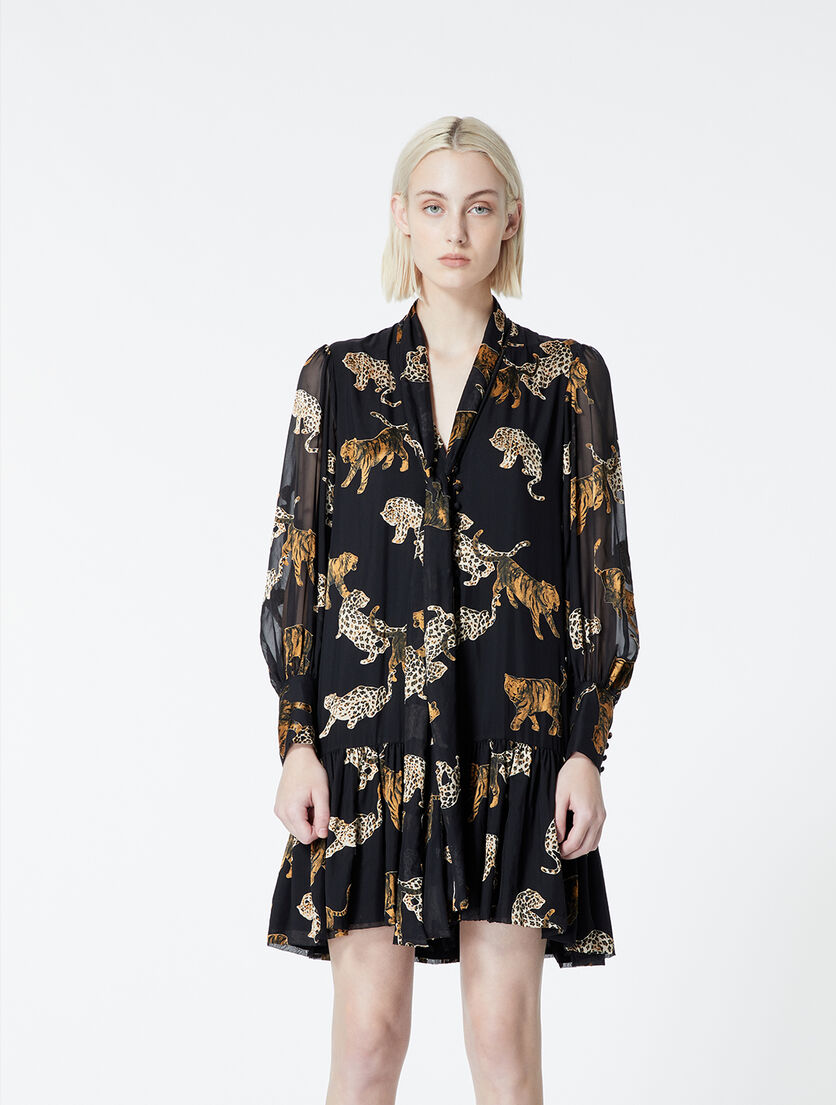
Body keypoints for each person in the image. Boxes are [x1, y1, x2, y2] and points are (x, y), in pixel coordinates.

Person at [260, 115, 640, 1104]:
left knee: (502, 1038)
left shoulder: (567, 380)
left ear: (510, 219)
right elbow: (296, 569)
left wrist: (586, 746)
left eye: (478, 207)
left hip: (513, 744)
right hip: (370, 748)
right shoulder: (337, 379)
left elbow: (600, 576)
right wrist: (297, 739)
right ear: (402, 218)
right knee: (369, 1036)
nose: (456, 230)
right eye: (434, 207)